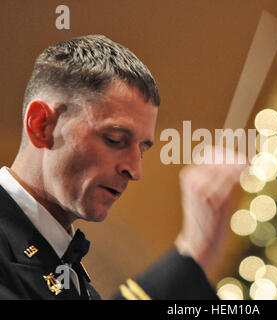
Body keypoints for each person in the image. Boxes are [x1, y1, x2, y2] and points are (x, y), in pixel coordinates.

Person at [0, 35, 245, 300]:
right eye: (115, 140)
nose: (136, 171)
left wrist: (196, 253)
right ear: (42, 126)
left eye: (142, 149)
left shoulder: (63, 260)